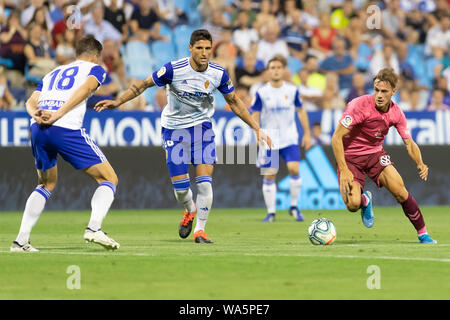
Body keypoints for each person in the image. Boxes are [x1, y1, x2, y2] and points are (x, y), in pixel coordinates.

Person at [94, 29, 272, 244]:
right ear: (190, 48)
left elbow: (234, 101)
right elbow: (142, 84)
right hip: (174, 129)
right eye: (199, 48)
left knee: (205, 183)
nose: (204, 53)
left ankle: (200, 230)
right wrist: (118, 101)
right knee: (181, 190)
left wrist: (256, 127)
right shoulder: (173, 69)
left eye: (208, 48)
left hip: (202, 129)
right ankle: (190, 209)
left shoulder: (218, 73)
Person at [10, 35, 120, 252]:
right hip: (65, 128)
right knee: (109, 178)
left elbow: (30, 102)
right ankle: (94, 228)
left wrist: (38, 115)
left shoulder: (53, 72)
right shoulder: (95, 69)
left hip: (38, 129)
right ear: (96, 56)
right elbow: (86, 90)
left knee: (45, 184)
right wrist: (58, 114)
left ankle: (21, 241)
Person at [331, 67, 437, 244]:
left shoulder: (396, 113)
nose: (379, 95)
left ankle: (423, 233)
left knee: (400, 192)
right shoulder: (358, 105)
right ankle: (364, 200)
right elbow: (336, 137)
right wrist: (344, 169)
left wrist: (420, 163)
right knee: (352, 205)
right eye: (376, 90)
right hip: (350, 158)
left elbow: (409, 142)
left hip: (375, 155)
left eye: (384, 91)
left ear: (394, 92)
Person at [250, 55, 312, 223]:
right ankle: (271, 213)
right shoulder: (262, 93)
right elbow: (255, 113)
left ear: (284, 70)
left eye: (279, 67)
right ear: (268, 71)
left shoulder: (292, 90)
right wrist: (257, 132)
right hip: (270, 138)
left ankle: (294, 207)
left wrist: (307, 133)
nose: (276, 70)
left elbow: (301, 110)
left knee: (293, 169)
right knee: (270, 174)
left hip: (290, 137)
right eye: (272, 68)